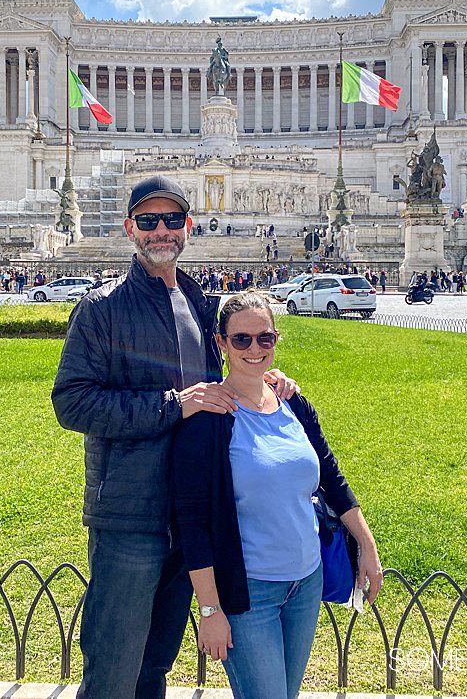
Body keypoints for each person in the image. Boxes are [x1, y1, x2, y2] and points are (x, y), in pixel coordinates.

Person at [52, 176, 297, 699]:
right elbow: (71, 402)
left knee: (155, 665)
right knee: (113, 670)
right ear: (130, 229)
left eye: (170, 220)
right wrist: (172, 404)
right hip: (131, 512)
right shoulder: (102, 308)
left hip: (190, 513)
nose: (160, 230)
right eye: (148, 221)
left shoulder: (199, 302)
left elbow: (223, 377)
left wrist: (266, 379)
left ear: (187, 227)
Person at [173, 291, 382, 699]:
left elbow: (332, 478)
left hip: (305, 582)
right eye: (241, 340)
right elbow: (193, 522)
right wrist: (210, 609)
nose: (254, 349)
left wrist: (367, 543)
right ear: (221, 343)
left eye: (264, 338)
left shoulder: (293, 402)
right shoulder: (208, 418)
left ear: (276, 340)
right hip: (249, 593)